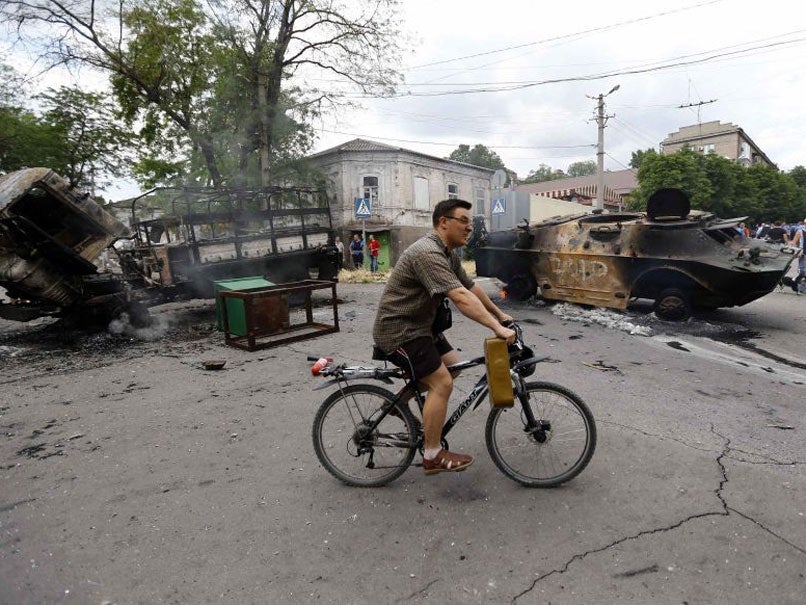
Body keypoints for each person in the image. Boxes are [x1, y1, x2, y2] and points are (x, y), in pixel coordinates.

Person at [372, 199, 515, 476]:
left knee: (453, 365)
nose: (469, 228)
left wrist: (500, 315)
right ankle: (433, 454)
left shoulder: (448, 253)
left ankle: (398, 403)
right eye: (463, 221)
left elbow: (470, 287)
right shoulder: (427, 252)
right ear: (443, 222)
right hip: (399, 330)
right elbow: (460, 297)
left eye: (470, 222)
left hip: (421, 327)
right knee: (442, 382)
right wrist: (496, 329)